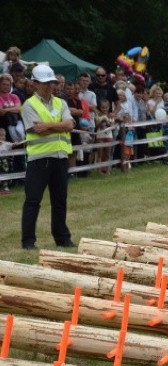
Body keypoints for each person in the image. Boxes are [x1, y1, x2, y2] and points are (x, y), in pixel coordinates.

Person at [20, 64, 75, 250]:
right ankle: (28, 241)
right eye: (45, 83)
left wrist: (49, 125)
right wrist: (60, 124)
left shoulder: (61, 102)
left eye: (51, 82)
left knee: (60, 200)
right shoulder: (28, 105)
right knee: (33, 200)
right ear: (35, 84)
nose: (50, 86)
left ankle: (62, 238)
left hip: (60, 158)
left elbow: (69, 125)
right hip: (39, 159)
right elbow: (38, 130)